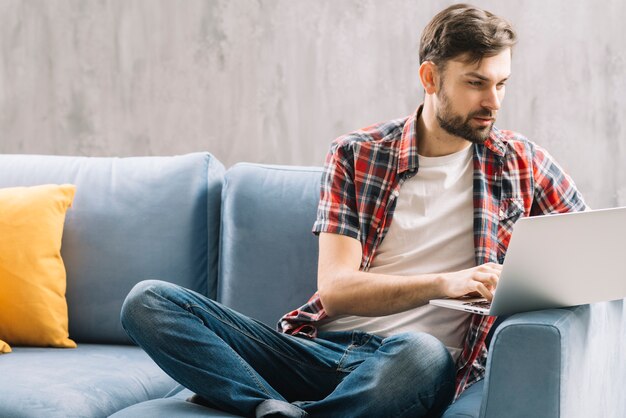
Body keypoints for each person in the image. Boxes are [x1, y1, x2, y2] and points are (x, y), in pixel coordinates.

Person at [120, 3, 587, 417]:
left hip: (410, 365)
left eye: (502, 84)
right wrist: (448, 283)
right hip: (317, 352)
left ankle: (265, 404)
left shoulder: (520, 162)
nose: (493, 102)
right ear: (429, 77)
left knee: (422, 353)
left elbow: (590, 250)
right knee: (149, 301)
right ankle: (267, 405)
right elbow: (337, 291)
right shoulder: (357, 154)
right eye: (476, 84)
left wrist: (522, 284)